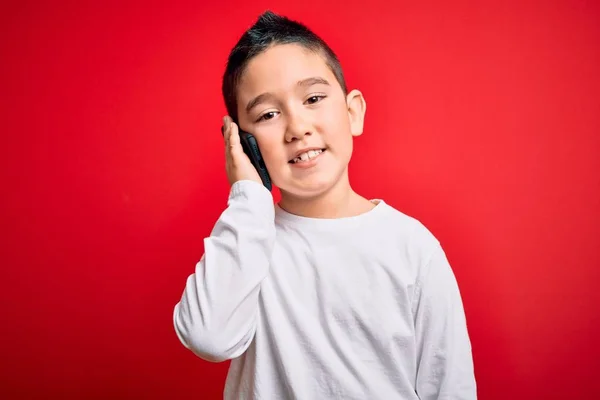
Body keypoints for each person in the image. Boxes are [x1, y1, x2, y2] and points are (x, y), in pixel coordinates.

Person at [173, 10, 477, 399]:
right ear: (242, 143)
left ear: (352, 112)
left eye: (313, 98)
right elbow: (208, 336)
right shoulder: (248, 244)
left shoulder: (412, 247)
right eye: (268, 114)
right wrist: (248, 198)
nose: (297, 128)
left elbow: (449, 386)